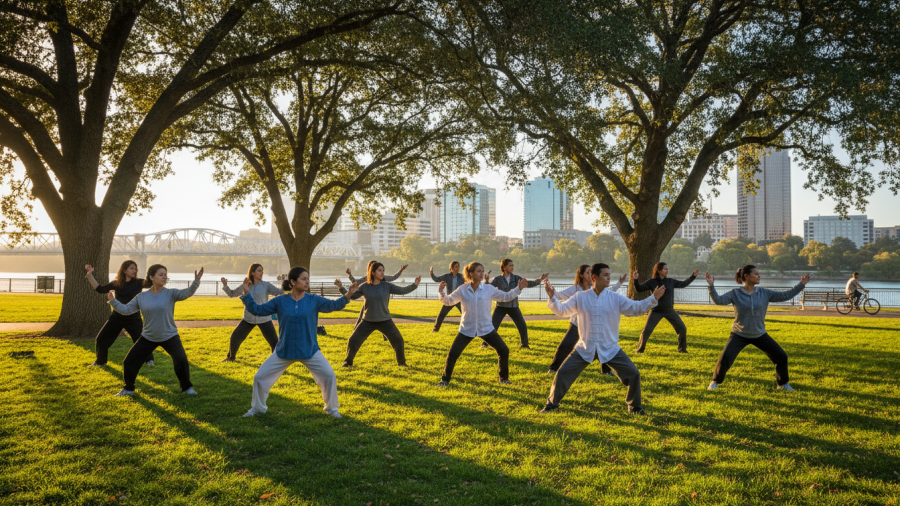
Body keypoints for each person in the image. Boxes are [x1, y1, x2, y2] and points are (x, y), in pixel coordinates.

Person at [540, 263, 664, 415]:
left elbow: (635, 308)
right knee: (562, 373)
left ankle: (635, 407)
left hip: (610, 347)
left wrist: (653, 298)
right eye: (605, 275)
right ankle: (551, 405)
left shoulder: (615, 297)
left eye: (609, 275)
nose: (609, 278)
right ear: (594, 277)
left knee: (633, 374)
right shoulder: (580, 297)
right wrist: (552, 296)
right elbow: (563, 310)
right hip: (585, 347)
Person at [241, 267, 358, 418]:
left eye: (307, 278)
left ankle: (332, 410)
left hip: (309, 350)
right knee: (260, 378)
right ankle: (257, 409)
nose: (307, 281)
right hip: (284, 350)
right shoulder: (280, 301)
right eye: (303, 279)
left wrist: (349, 294)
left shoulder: (313, 300)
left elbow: (334, 305)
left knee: (329, 376)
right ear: (292, 282)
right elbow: (257, 310)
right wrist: (246, 293)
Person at [706, 265, 810, 392]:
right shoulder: (735, 293)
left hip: (759, 334)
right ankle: (715, 382)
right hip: (739, 333)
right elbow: (719, 301)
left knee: (781, 356)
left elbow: (785, 296)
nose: (759, 276)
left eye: (759, 274)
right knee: (725, 358)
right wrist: (711, 286)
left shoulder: (764, 293)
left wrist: (801, 284)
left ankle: (782, 384)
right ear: (746, 276)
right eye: (756, 274)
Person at [107, 264, 203, 396]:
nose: (164, 277)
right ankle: (128, 389)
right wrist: (113, 301)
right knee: (129, 361)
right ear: (151, 277)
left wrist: (196, 281)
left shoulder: (171, 293)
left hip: (170, 336)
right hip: (148, 337)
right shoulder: (142, 297)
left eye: (165, 275)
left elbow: (187, 292)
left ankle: (187, 388)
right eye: (161, 274)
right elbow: (126, 310)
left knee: (181, 360)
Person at [435, 262, 528, 387]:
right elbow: (448, 301)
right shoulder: (463, 289)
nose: (481, 274)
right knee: (452, 354)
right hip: (467, 329)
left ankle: (503, 378)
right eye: (478, 271)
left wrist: (518, 289)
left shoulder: (488, 289)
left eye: (482, 271)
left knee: (503, 350)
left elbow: (506, 297)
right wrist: (441, 292)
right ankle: (444, 381)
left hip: (486, 329)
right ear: (471, 273)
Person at [546, 264, 627, 374]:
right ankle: (554, 368)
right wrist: (551, 292)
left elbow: (610, 292)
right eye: (588, 272)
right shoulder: (575, 289)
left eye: (591, 272)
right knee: (565, 346)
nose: (590, 274)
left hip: (593, 324)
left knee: (602, 345)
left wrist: (620, 283)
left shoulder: (595, 287)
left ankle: (606, 370)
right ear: (582, 275)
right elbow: (559, 295)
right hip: (577, 324)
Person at [340, 262, 421, 368]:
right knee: (353, 340)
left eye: (383, 270)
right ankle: (348, 362)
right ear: (373, 272)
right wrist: (342, 288)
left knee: (398, 340)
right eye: (379, 270)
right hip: (367, 321)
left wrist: (414, 285)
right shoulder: (365, 286)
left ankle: (402, 363)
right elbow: (353, 296)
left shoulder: (387, 286)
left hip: (385, 320)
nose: (382, 273)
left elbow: (402, 290)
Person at [85, 261, 154, 367]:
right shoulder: (116, 283)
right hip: (117, 317)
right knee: (101, 339)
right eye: (132, 268)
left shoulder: (139, 282)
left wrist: (156, 271)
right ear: (124, 270)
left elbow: (151, 283)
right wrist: (89, 275)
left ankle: (149, 361)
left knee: (141, 339)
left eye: (135, 269)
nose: (134, 271)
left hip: (133, 317)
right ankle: (100, 362)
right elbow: (100, 289)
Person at [219, 263, 282, 362]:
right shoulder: (246, 285)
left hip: (264, 318)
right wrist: (225, 286)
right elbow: (232, 294)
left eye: (262, 270)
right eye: (259, 270)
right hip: (248, 318)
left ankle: (277, 361)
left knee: (274, 342)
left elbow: (280, 292)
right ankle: (231, 358)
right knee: (235, 338)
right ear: (252, 272)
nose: (262, 273)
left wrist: (288, 285)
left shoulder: (266, 285)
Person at [631, 263, 698, 354]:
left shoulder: (670, 281)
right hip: (656, 311)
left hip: (669, 310)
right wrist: (635, 280)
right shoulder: (652, 282)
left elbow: (683, 284)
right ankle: (640, 350)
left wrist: (693, 276)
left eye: (667, 269)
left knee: (682, 328)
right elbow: (639, 289)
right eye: (665, 269)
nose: (667, 270)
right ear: (659, 270)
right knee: (646, 331)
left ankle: (682, 349)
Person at [484, 258, 547, 349]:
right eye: (510, 265)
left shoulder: (517, 278)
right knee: (492, 326)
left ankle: (525, 345)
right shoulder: (498, 279)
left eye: (513, 265)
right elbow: (488, 289)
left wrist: (540, 279)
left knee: (522, 326)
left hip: (513, 307)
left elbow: (529, 283)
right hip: (500, 306)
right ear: (504, 267)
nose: (512, 267)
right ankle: (485, 343)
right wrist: (486, 280)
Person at [347, 262, 407, 341]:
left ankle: (386, 337)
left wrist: (401, 270)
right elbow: (355, 282)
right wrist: (350, 275)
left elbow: (393, 277)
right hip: (369, 305)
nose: (381, 272)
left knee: (384, 320)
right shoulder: (366, 279)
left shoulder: (383, 278)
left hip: (381, 304)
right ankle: (355, 335)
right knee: (361, 320)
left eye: (382, 270)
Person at [430, 262, 464, 332]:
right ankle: (435, 329)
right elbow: (436, 279)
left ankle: (471, 330)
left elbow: (470, 282)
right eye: (456, 266)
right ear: (451, 268)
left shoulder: (462, 276)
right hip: (450, 299)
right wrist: (431, 274)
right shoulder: (446, 276)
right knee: (441, 315)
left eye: (458, 266)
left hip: (459, 299)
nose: (457, 268)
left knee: (466, 315)